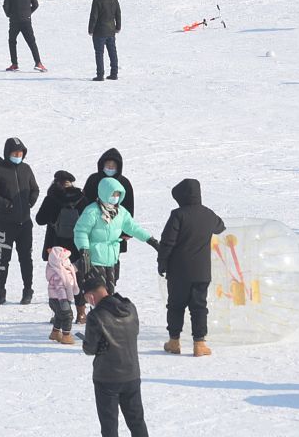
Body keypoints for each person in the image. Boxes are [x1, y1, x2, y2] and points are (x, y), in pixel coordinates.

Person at [158, 178, 226, 357]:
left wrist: (162, 262)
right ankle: (199, 344)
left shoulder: (178, 215)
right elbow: (221, 227)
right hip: (202, 272)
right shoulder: (209, 215)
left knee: (175, 305)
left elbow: (167, 242)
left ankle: (174, 342)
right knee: (199, 307)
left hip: (178, 271)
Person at [82, 271, 150, 437]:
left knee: (109, 426)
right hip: (132, 374)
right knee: (137, 421)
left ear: (91, 297)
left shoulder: (96, 316)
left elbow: (89, 349)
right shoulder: (130, 308)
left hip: (107, 378)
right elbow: (134, 332)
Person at [74, 177, 159, 294]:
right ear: (104, 192)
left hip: (112, 259)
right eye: (113, 194)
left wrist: (150, 239)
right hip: (95, 259)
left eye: (118, 194)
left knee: (110, 293)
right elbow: (81, 231)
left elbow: (133, 228)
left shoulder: (120, 212)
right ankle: (98, 312)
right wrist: (84, 250)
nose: (115, 197)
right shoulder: (92, 211)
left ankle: (108, 312)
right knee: (99, 294)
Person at [0, 137, 40, 305]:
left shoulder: (26, 169)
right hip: (5, 224)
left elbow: (35, 189)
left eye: (21, 153)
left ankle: (27, 290)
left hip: (25, 224)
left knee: (26, 258)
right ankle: (0, 292)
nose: (18, 155)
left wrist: (31, 201)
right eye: (15, 153)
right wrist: (6, 204)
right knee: (3, 258)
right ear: (8, 153)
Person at [35, 170, 89, 323]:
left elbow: (40, 219)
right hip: (76, 246)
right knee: (78, 280)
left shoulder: (51, 198)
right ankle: (81, 313)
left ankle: (61, 314)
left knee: (58, 281)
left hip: (55, 248)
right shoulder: (82, 198)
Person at [82, 149, 136, 280]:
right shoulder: (93, 180)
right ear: (102, 165)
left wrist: (127, 231)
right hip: (95, 228)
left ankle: (111, 285)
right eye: (108, 165)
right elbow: (84, 203)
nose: (110, 168)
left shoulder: (124, 183)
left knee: (113, 257)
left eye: (113, 166)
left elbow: (129, 208)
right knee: (94, 257)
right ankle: (95, 287)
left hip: (116, 229)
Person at [3, 0, 45, 71]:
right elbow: (36, 5)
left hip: (14, 21)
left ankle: (14, 64)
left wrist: (10, 14)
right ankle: (38, 63)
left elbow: (6, 7)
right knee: (31, 42)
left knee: (12, 41)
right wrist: (28, 13)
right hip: (26, 20)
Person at [88, 0, 122, 81]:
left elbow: (93, 16)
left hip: (99, 32)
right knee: (112, 52)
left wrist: (90, 29)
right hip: (111, 31)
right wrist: (118, 27)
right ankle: (114, 73)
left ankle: (100, 75)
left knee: (99, 53)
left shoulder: (96, 0)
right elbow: (118, 14)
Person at [46, 246, 79, 345]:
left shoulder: (64, 269)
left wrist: (80, 263)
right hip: (59, 299)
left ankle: (55, 333)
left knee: (59, 316)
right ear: (58, 261)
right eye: (65, 259)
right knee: (68, 316)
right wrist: (63, 301)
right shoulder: (58, 275)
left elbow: (72, 268)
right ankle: (66, 336)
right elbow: (60, 289)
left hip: (58, 300)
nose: (68, 261)